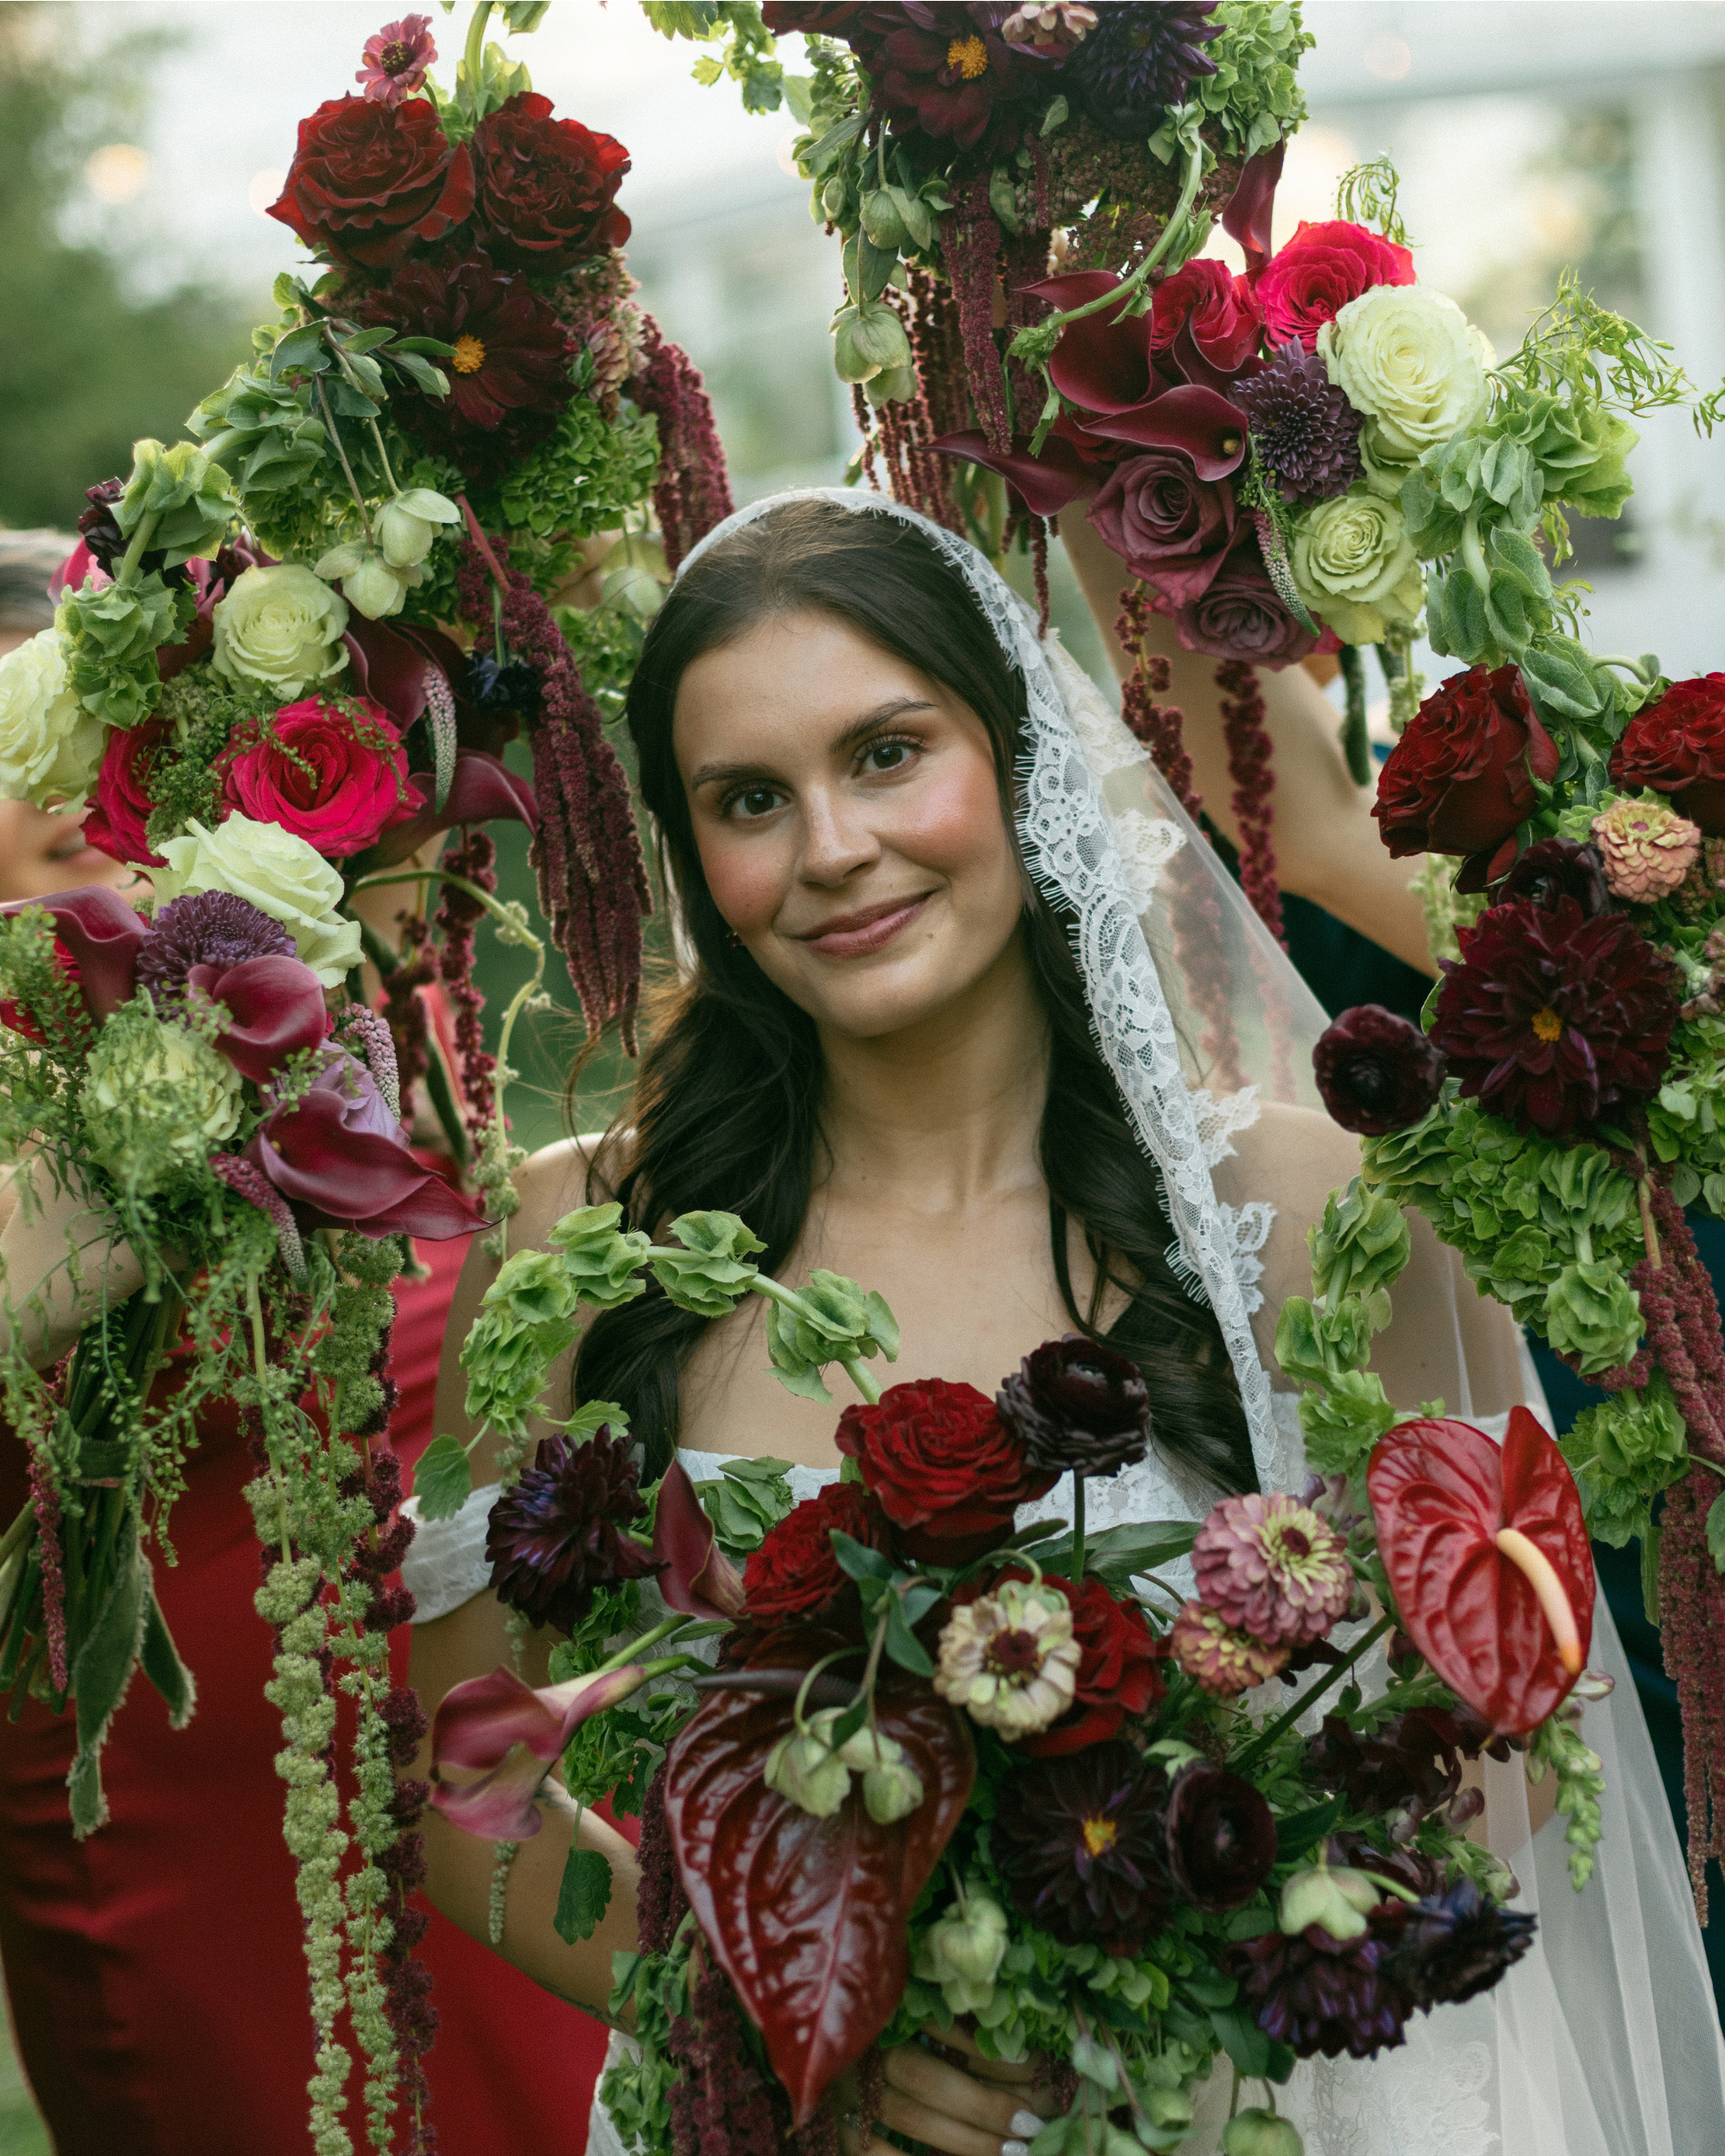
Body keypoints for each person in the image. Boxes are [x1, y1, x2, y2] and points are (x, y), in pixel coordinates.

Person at [407, 491, 1725, 2156]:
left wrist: (1171, 1979)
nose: (829, 847)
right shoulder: (581, 1243)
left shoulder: (1308, 1204)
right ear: (690, 856)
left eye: (888, 752)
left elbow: (1516, 1724)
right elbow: (464, 1792)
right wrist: (793, 2017)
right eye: (751, 798)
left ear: (1025, 764)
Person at [0, 538, 611, 2152]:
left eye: (88, 753)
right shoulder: (52, 1080)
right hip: (185, 1807)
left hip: (470, 1747)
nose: (62, 800)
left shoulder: (295, 1002)